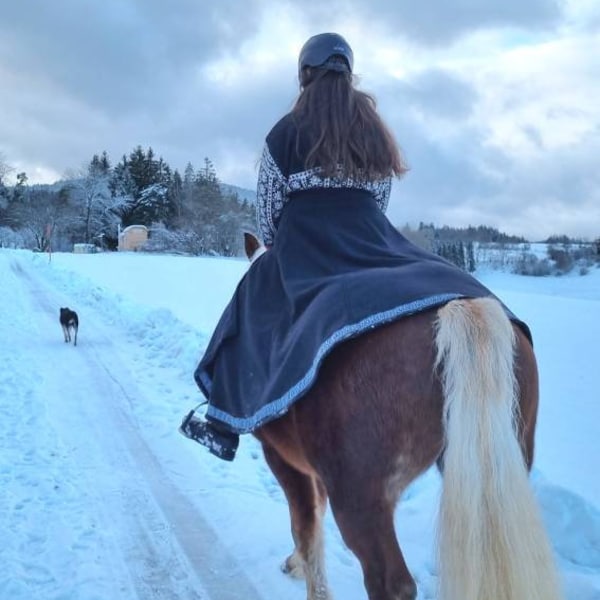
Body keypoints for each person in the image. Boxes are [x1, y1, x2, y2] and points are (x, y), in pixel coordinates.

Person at [179, 32, 519, 461]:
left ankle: (223, 424)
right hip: (369, 237)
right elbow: (380, 200)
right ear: (348, 72)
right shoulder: (374, 132)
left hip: (305, 245)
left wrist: (278, 245)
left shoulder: (285, 132)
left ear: (305, 75)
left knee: (249, 302)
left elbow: (268, 210)